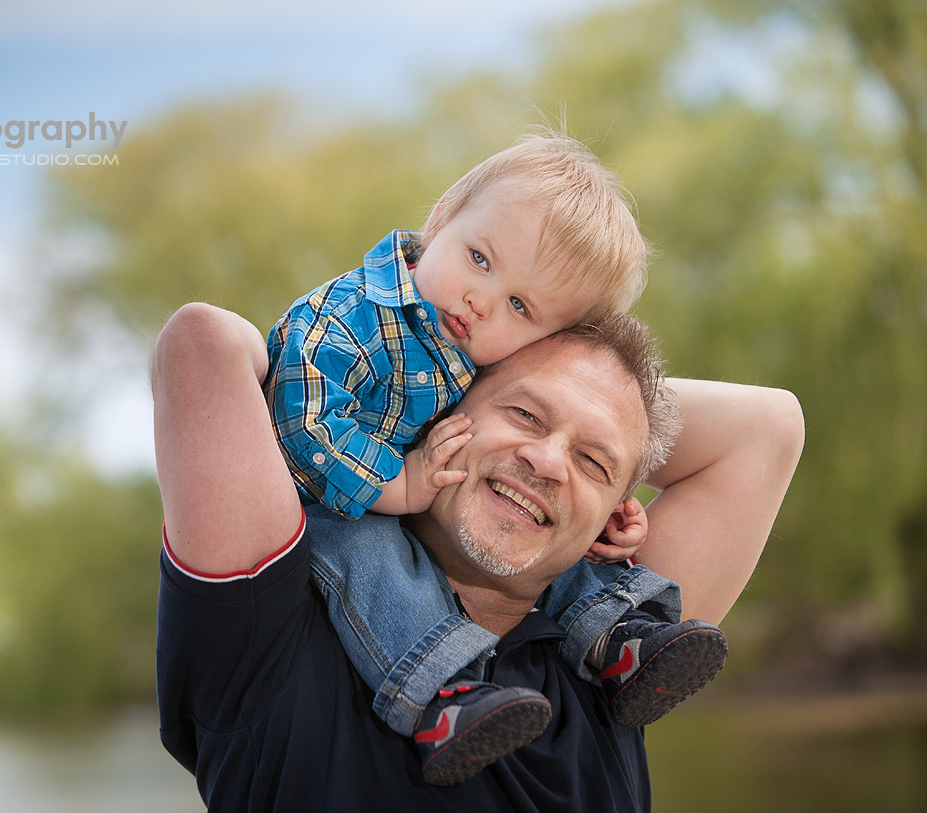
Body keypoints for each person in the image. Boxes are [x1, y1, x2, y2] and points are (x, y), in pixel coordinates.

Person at [152, 307, 805, 811]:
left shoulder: (620, 656)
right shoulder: (276, 632)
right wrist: (400, 390)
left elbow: (768, 426)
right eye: (524, 414)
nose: (547, 461)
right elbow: (202, 346)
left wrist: (613, 405)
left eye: (593, 462)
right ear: (433, 414)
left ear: (611, 516)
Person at [262, 133, 722, 783]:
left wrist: (607, 497)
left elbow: (567, 426)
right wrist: (397, 482)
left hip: (424, 477)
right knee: (372, 554)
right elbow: (297, 417)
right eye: (479, 257)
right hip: (334, 493)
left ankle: (622, 637)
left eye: (520, 305)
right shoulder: (352, 316)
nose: (481, 300)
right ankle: (442, 694)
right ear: (442, 216)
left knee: (546, 515)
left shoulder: (476, 347)